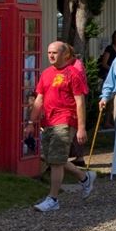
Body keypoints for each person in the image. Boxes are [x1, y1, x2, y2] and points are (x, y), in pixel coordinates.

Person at [25, 42, 95, 212]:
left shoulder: (73, 74)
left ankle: (53, 199)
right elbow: (39, 99)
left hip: (66, 119)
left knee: (56, 162)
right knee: (52, 158)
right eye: (49, 52)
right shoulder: (47, 74)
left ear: (65, 55)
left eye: (55, 52)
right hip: (48, 121)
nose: (51, 56)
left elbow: (80, 102)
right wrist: (30, 123)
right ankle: (84, 177)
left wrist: (81, 127)